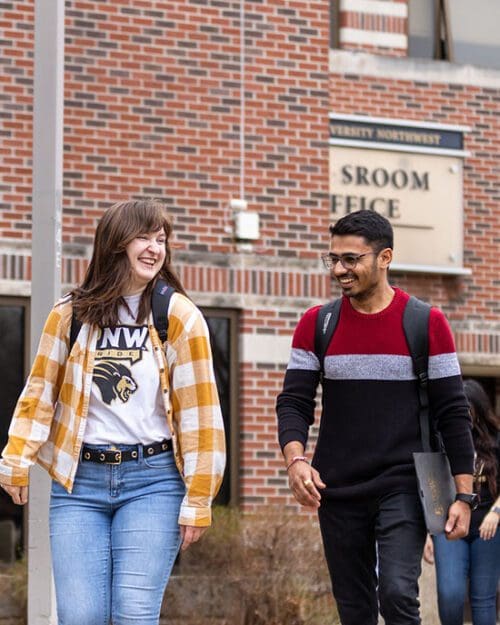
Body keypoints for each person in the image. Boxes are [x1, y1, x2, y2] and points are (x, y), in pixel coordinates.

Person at [0, 199, 226, 625]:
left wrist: (199, 496)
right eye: (143, 237)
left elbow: (201, 413)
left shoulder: (178, 316)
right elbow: (40, 391)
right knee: (80, 616)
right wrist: (16, 457)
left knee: (133, 615)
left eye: (161, 240)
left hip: (153, 481)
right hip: (78, 484)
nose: (154, 248)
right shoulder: (70, 314)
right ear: (114, 244)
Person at [276, 209, 475, 625]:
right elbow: (294, 401)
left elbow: (453, 412)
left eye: (352, 259)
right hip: (337, 487)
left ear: (384, 257)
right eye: (333, 259)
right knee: (354, 608)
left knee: (398, 594)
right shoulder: (317, 324)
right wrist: (296, 460)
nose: (340, 270)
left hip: (403, 483)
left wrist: (464, 494)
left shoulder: (426, 322)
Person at [424, 378, 500, 625]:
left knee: (483, 599)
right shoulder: (440, 441)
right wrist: (427, 532)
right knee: (450, 595)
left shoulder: (496, 442)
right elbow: (429, 488)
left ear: (478, 410)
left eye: (466, 410)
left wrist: (496, 513)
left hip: (488, 529)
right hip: (449, 527)